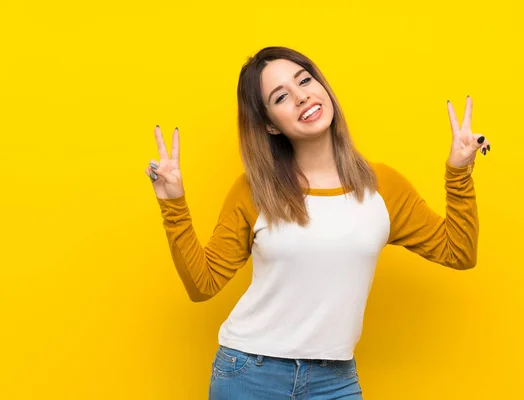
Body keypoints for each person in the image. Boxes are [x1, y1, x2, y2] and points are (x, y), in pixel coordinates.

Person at [145, 46, 490, 400]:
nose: (301, 96)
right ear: (269, 125)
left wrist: (459, 172)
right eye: (281, 97)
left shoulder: (381, 186)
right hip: (250, 375)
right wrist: (173, 203)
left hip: (335, 380)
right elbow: (203, 284)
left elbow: (459, 252)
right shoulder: (255, 191)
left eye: (305, 80)